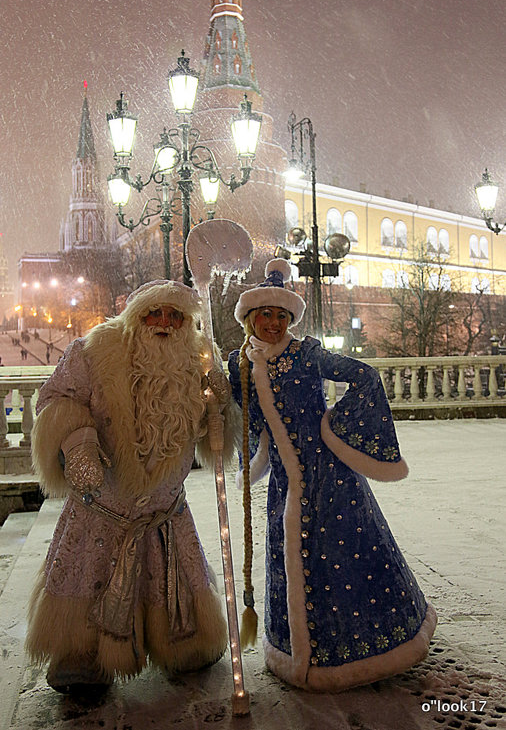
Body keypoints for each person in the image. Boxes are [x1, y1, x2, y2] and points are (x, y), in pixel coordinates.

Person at [227, 259, 437, 693]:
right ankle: (293, 650)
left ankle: (360, 652)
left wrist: (333, 430)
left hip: (331, 479)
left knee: (340, 555)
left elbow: (364, 377)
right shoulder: (240, 364)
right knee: (290, 555)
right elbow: (236, 408)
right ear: (249, 318)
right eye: (264, 314)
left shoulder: (306, 354)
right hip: (286, 482)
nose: (272, 323)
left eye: (280, 315)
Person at [26, 280, 233, 694]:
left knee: (172, 580)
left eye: (175, 316)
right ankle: (82, 651)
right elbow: (56, 398)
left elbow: (216, 435)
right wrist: (77, 442)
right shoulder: (93, 352)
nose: (163, 323)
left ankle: (185, 641)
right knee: (89, 577)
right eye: (153, 313)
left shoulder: (200, 358)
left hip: (164, 513)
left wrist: (221, 407)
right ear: (134, 317)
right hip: (101, 511)